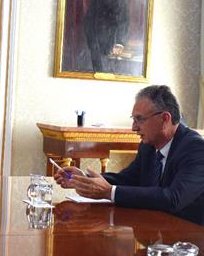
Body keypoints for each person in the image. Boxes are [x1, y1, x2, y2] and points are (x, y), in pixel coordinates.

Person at [54, 85, 204, 225]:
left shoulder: (196, 149)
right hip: (155, 230)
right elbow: (129, 178)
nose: (134, 128)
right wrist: (84, 179)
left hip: (189, 238)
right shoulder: (148, 146)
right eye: (133, 119)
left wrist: (109, 192)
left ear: (165, 119)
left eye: (140, 119)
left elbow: (173, 198)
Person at [83, 0, 129, 72]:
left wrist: (119, 43)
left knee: (107, 74)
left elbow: (124, 19)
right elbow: (89, 18)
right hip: (94, 45)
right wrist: (90, 38)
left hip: (110, 45)